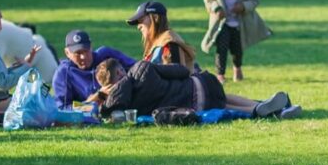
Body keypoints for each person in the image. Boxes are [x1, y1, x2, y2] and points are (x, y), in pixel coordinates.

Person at [127, 0, 285, 117]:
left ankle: (258, 109)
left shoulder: (167, 42)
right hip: (195, 85)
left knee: (221, 105)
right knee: (223, 100)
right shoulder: (159, 43)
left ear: (154, 18)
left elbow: (178, 70)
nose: (139, 24)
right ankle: (265, 106)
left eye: (142, 20)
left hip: (189, 91)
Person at [200, 0, 272, 83]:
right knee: (221, 48)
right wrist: (216, 8)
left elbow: (255, 0)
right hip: (222, 23)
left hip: (239, 23)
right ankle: (220, 74)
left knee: (237, 49)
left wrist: (244, 6)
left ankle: (237, 68)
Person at [92, 58, 227, 116]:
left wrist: (100, 94)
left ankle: (249, 110)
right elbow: (182, 71)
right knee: (225, 99)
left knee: (226, 104)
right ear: (119, 71)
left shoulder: (124, 108)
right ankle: (249, 108)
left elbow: (87, 106)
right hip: (204, 85)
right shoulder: (141, 68)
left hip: (198, 107)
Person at [52, 30, 136, 109]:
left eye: (86, 51)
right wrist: (97, 98)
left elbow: (139, 68)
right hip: (92, 114)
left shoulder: (106, 55)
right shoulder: (63, 73)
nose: (83, 57)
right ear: (67, 53)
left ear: (91, 46)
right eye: (78, 53)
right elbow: (62, 109)